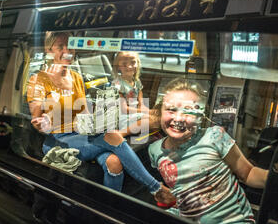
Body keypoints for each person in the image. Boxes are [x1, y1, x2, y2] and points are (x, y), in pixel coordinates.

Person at [26, 31, 175, 205]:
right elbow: (37, 118)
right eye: (60, 46)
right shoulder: (38, 79)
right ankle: (156, 188)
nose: (67, 50)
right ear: (49, 49)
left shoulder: (75, 77)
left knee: (114, 162)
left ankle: (108, 209)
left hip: (81, 133)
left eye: (71, 46)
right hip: (58, 139)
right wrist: (43, 123)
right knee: (112, 136)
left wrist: (99, 121)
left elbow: (84, 112)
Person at [147, 78, 268, 224]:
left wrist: (277, 180)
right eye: (171, 110)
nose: (179, 118)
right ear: (159, 112)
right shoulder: (154, 150)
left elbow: (248, 173)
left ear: (200, 116)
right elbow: (181, 188)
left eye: (189, 111)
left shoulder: (214, 136)